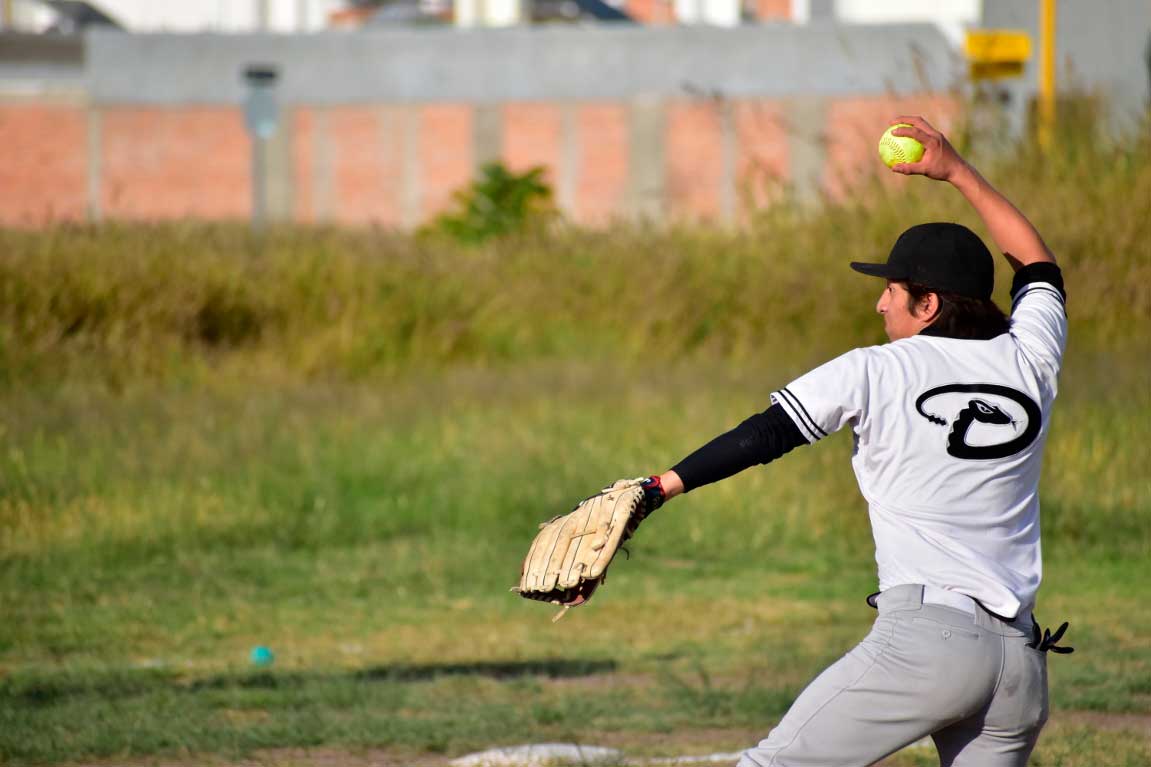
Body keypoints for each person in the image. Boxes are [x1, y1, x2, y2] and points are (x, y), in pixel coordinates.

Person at [637, 116, 1072, 767]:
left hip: (926, 644)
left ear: (926, 304)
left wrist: (657, 487)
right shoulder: (1028, 358)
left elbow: (765, 434)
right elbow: (1036, 264)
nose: (879, 306)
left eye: (891, 290)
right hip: (1017, 667)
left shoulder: (875, 369)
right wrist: (956, 170)